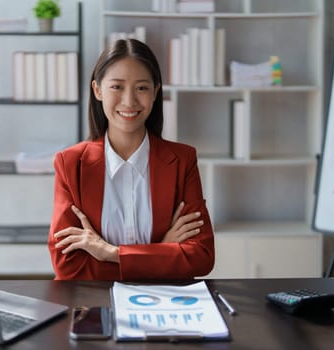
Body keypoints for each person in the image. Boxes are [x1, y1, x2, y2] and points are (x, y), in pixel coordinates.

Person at [48, 39, 214, 280]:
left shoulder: (182, 160)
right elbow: (67, 265)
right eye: (117, 87)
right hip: (94, 306)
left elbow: (201, 257)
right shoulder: (71, 163)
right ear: (97, 90)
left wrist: (110, 253)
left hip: (166, 304)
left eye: (142, 88)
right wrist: (162, 253)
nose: (129, 101)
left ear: (156, 91)